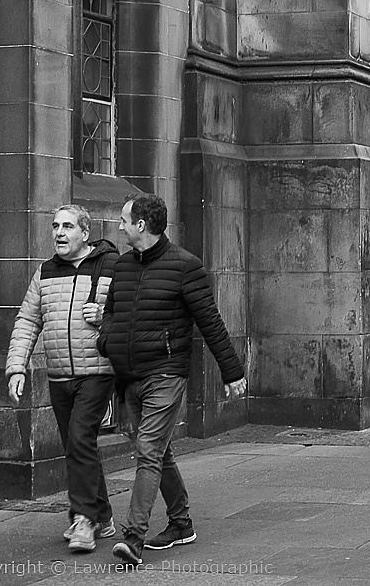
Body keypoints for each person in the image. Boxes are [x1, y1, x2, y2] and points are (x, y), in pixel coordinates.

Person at [98, 194, 247, 565]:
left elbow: (210, 321)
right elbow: (112, 313)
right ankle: (181, 524)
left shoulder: (185, 267)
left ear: (141, 226)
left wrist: (232, 372)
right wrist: (107, 340)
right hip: (129, 376)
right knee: (158, 450)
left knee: (148, 450)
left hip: (165, 373)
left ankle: (133, 537)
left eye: (124, 220)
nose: (119, 226)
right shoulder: (123, 266)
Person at [6, 205, 119, 553]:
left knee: (80, 438)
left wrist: (105, 317)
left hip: (97, 373)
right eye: (55, 226)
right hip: (59, 376)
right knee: (78, 445)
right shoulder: (45, 273)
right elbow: (27, 321)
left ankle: (82, 519)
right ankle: (103, 515)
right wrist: (16, 367)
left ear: (85, 233)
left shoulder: (111, 267)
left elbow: (131, 314)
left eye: (67, 226)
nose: (59, 232)